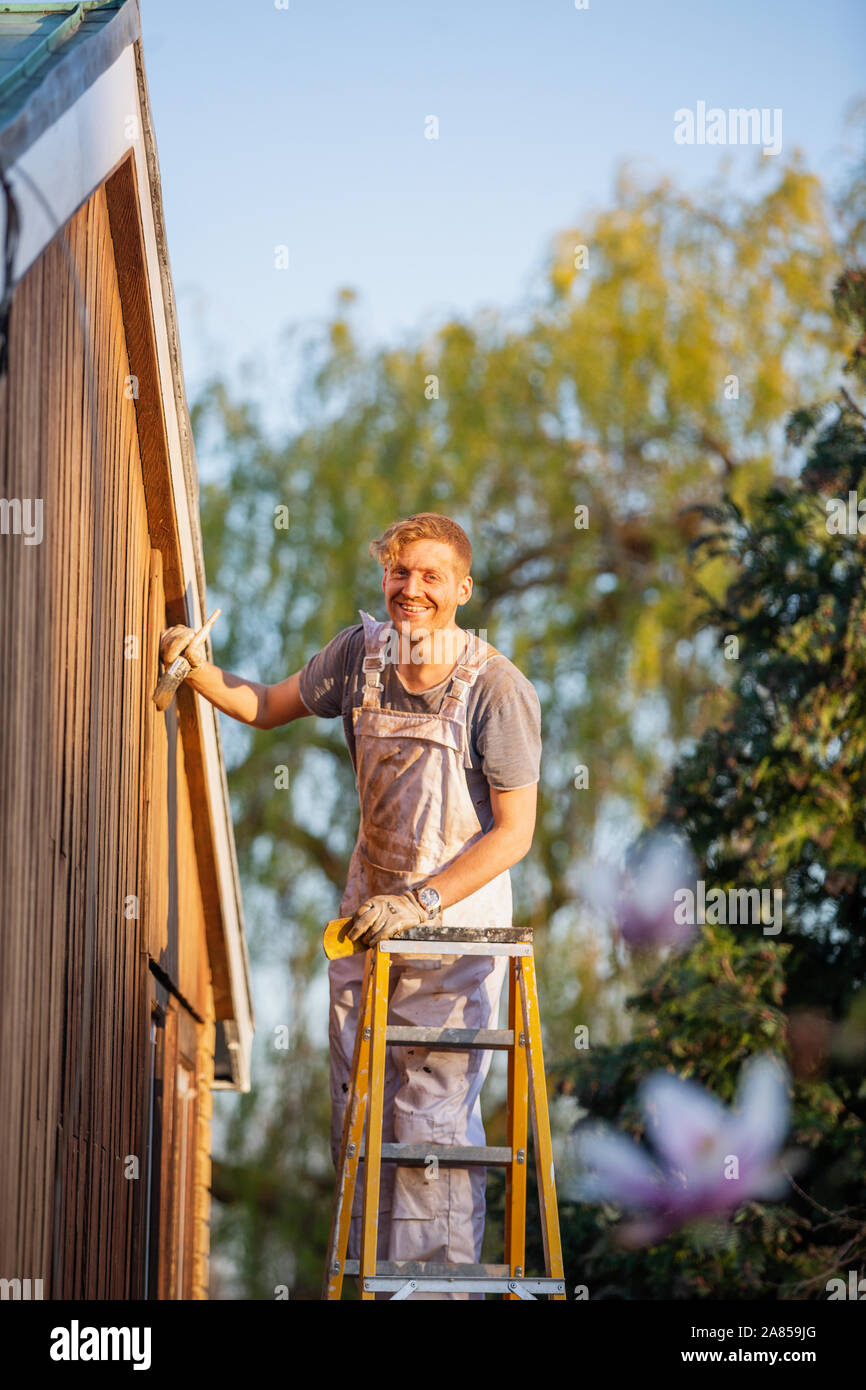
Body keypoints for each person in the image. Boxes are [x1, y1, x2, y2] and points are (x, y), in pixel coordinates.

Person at [160, 511, 541, 1298]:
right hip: (367, 927)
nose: (412, 589)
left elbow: (514, 835)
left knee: (429, 1132)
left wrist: (425, 901)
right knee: (360, 1121)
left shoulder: (497, 691)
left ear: (462, 588)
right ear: (383, 578)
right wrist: (197, 670)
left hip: (454, 944)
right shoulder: (359, 658)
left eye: (431, 576)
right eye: (400, 572)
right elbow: (267, 704)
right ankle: (369, 1288)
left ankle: (435, 1294)